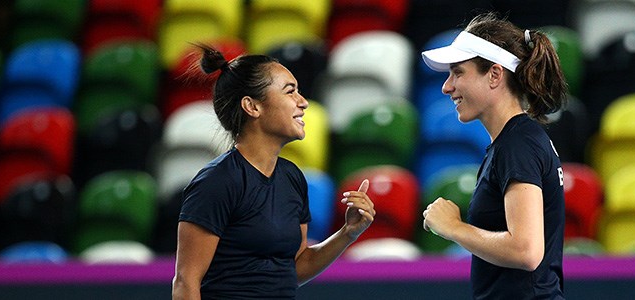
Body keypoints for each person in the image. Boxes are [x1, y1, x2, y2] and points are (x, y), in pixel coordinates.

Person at [171, 44, 376, 300]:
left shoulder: (293, 178)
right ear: (252, 106)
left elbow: (296, 268)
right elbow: (186, 282)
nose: (303, 103)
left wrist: (348, 233)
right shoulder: (216, 182)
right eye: (290, 92)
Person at [420, 12, 567, 299]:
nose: (446, 86)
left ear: (495, 75)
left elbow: (525, 251)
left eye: (458, 72)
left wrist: (454, 227)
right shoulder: (515, 141)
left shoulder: (518, 145)